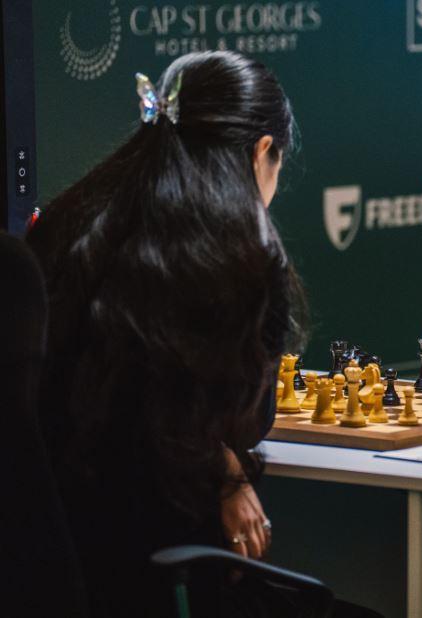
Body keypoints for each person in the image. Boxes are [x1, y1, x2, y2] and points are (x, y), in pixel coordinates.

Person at [26, 51, 374, 617]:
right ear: (262, 151)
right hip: (167, 576)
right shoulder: (242, 261)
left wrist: (222, 465)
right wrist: (227, 469)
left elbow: (121, 398)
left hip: (61, 569)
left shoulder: (69, 224)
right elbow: (242, 421)